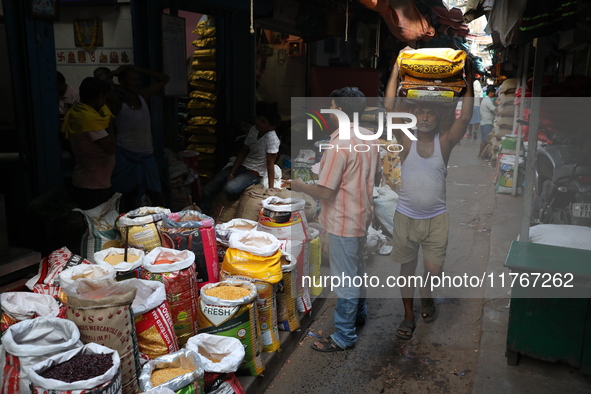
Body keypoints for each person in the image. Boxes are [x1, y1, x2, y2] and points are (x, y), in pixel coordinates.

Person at [384, 60, 474, 340]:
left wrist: (468, 80)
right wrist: (396, 70)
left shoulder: (444, 143)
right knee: (407, 269)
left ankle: (428, 297)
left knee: (432, 271)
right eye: (419, 111)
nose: (424, 117)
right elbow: (389, 108)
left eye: (430, 113)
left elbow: (465, 118)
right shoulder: (406, 140)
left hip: (437, 219)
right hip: (406, 217)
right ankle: (408, 316)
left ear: (438, 118)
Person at [287, 87, 382, 352]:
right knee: (356, 269)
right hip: (362, 215)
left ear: (338, 109)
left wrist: (301, 185)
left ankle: (344, 336)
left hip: (343, 220)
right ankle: (358, 314)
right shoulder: (369, 137)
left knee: (345, 279)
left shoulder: (338, 144)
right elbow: (376, 176)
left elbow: (326, 191)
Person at [200, 104, 282, 214]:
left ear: (271, 127)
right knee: (207, 189)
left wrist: (270, 188)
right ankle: (202, 215)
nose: (258, 122)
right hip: (242, 167)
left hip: (254, 173)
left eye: (262, 121)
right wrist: (232, 172)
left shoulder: (272, 139)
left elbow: (270, 164)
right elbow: (243, 152)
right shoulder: (254, 129)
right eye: (258, 118)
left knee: (230, 189)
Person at [109, 65, 170, 211]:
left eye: (138, 79)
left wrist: (139, 69)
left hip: (146, 155)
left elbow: (165, 79)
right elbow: (99, 81)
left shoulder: (143, 96)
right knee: (126, 196)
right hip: (125, 155)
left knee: (156, 194)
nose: (137, 83)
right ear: (122, 82)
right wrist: (114, 73)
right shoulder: (116, 100)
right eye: (132, 79)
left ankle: (164, 226)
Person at [61, 77, 116, 210]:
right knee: (96, 226)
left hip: (91, 182)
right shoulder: (89, 121)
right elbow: (110, 147)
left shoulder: (80, 113)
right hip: (92, 186)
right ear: (100, 97)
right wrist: (110, 120)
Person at [478, 85, 496, 158]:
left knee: (486, 139)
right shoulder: (488, 100)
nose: (494, 95)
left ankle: (483, 154)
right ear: (491, 93)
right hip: (486, 123)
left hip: (485, 122)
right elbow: (493, 109)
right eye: (494, 93)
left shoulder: (485, 100)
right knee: (485, 140)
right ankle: (480, 154)